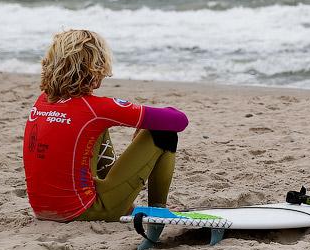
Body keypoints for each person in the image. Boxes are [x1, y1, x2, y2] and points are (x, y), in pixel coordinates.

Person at [23, 29, 189, 222]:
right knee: (164, 134)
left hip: (42, 210)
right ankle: (158, 211)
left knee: (94, 130)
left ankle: (122, 201)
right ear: (94, 68)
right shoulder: (95, 109)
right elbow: (179, 120)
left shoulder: (43, 101)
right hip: (83, 211)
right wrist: (150, 123)